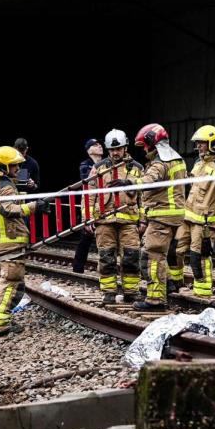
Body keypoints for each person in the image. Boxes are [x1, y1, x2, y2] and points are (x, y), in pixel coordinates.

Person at [109, 124, 188, 310]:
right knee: (155, 256)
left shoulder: (160, 162)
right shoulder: (178, 159)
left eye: (145, 145)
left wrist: (128, 182)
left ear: (153, 142)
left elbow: (149, 180)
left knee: (153, 257)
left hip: (161, 217)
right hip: (173, 215)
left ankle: (155, 300)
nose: (144, 149)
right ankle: (167, 286)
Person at [0, 146, 48, 336]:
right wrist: (35, 206)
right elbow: (8, 209)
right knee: (10, 283)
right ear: (3, 166)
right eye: (14, 166)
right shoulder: (6, 185)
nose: (18, 169)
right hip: (11, 243)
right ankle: (0, 325)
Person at [175, 125, 215, 298]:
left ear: (213, 144)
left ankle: (202, 294)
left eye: (202, 143)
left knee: (199, 257)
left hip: (204, 223)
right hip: (187, 217)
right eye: (198, 144)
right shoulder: (198, 163)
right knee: (175, 251)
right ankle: (175, 285)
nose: (198, 147)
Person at [89, 129, 143, 304]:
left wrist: (143, 219)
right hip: (104, 220)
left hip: (129, 220)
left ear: (125, 147)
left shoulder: (137, 168)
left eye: (118, 149)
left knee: (131, 257)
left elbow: (144, 196)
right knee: (106, 257)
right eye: (112, 150)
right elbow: (89, 194)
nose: (115, 152)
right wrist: (88, 218)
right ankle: (109, 292)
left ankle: (131, 292)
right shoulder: (98, 168)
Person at [72, 138, 103, 273]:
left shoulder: (107, 163)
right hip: (90, 203)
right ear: (89, 150)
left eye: (99, 144)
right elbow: (87, 181)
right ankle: (78, 268)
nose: (100, 146)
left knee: (106, 238)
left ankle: (104, 269)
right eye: (96, 145)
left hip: (104, 204)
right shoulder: (85, 165)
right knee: (86, 237)